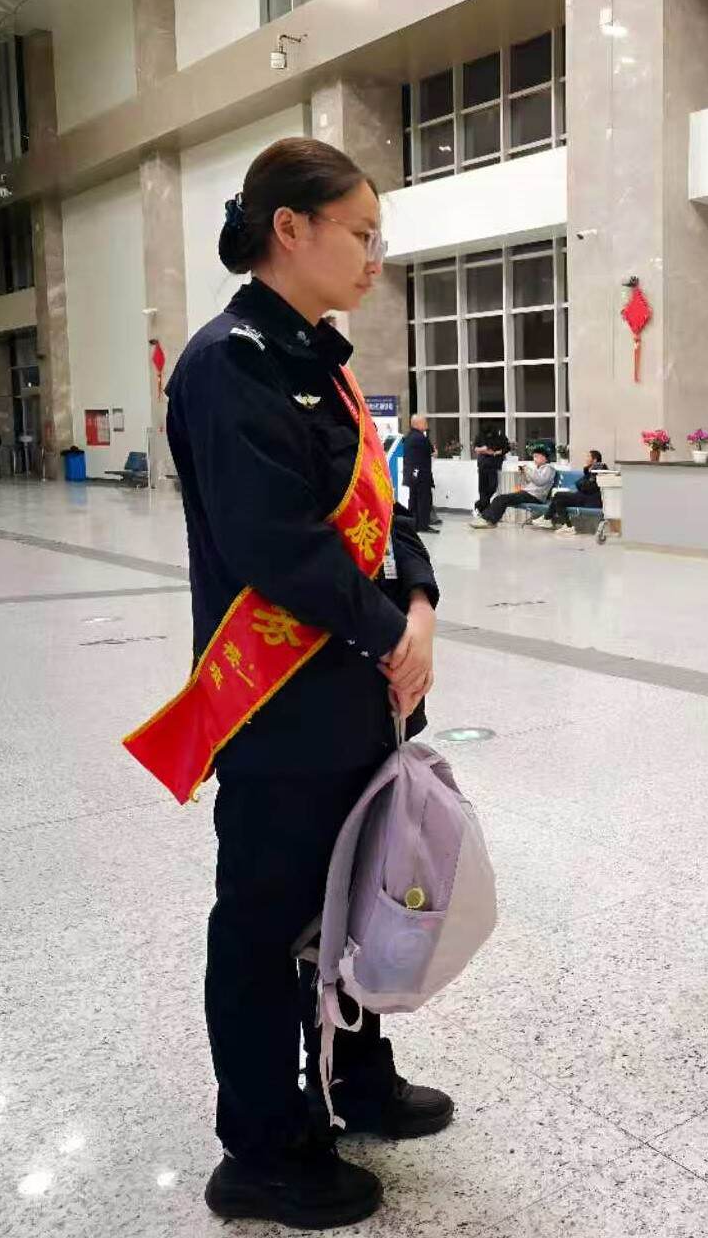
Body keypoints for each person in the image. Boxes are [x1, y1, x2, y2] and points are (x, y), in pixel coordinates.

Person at [145, 138, 453, 1230]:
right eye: (361, 234)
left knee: (360, 904)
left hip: (362, 693)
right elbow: (274, 540)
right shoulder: (229, 364)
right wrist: (383, 630)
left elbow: (389, 511)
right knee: (267, 922)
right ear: (293, 228)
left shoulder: (322, 357)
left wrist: (414, 604)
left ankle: (353, 1083)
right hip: (283, 714)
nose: (375, 256)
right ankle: (262, 1146)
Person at [471, 444, 554, 527]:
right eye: (534, 457)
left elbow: (540, 481)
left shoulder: (548, 468)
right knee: (500, 498)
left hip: (535, 497)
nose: (534, 459)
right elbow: (532, 482)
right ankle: (487, 519)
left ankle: (488, 520)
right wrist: (525, 474)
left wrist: (528, 470)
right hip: (528, 494)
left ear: (544, 458)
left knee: (501, 498)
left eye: (536, 457)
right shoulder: (539, 469)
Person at [547, 449, 607, 535]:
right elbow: (582, 484)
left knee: (558, 495)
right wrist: (586, 471)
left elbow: (587, 487)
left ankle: (547, 518)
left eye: (588, 457)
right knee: (559, 501)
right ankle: (567, 526)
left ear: (595, 460)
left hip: (590, 500)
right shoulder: (591, 470)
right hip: (584, 497)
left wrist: (583, 479)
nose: (586, 459)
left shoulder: (599, 469)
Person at [403, 414, 436, 533]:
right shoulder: (421, 438)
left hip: (412, 475)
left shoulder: (408, 437)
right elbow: (431, 451)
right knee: (424, 500)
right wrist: (434, 451)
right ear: (417, 424)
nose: (426, 425)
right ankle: (423, 525)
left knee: (413, 500)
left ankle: (413, 524)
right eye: (425, 422)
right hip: (421, 475)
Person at [472, 424, 510, 515]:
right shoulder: (480, 436)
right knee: (482, 488)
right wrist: (486, 450)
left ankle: (480, 503)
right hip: (483, 464)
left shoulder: (500, 436)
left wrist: (496, 452)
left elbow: (506, 448)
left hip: (494, 464)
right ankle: (484, 510)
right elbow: (476, 448)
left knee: (492, 486)